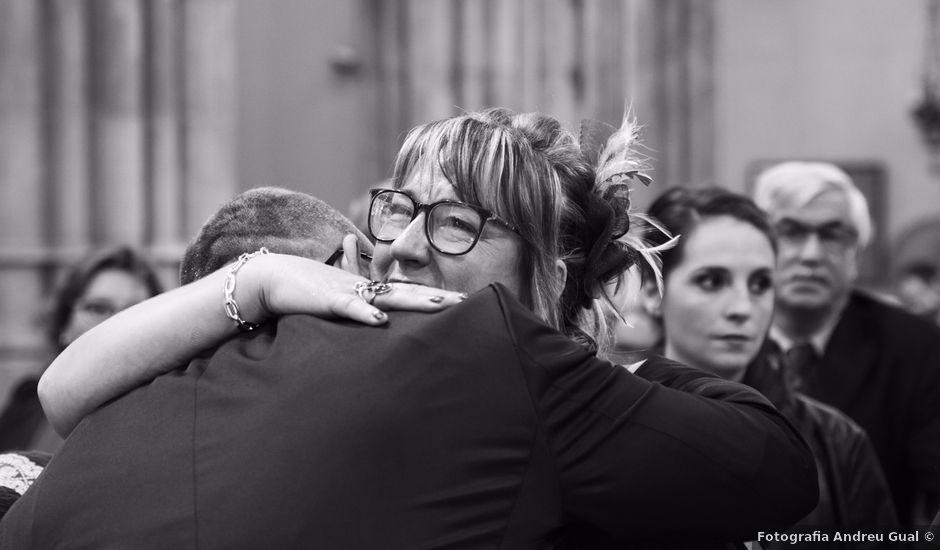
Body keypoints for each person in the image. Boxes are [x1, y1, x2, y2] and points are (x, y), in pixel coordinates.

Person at [12, 111, 816, 548]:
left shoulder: (487, 354)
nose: (401, 242)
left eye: (458, 223)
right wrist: (255, 282)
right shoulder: (307, 327)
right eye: (396, 208)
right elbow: (61, 393)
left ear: (550, 274)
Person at [623, 186, 896, 546]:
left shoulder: (835, 441)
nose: (742, 308)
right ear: (652, 292)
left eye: (761, 284)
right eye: (711, 281)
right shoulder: (617, 423)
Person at [752, 161, 940, 524]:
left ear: (858, 251)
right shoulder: (724, 336)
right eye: (790, 231)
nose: (810, 255)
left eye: (832, 235)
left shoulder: (916, 348)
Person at [0, 246, 163, 453]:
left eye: (134, 309)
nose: (115, 322)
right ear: (64, 325)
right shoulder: (29, 400)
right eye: (98, 308)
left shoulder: (169, 411)